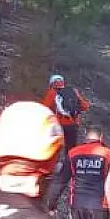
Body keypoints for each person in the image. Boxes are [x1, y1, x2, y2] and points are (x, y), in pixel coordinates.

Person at [41, 75, 89, 205]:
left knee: (55, 147)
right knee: (71, 150)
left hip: (59, 124)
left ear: (51, 83)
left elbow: (44, 108)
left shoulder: (52, 92)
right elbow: (85, 106)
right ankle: (69, 172)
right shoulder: (73, 91)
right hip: (73, 125)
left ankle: (52, 169)